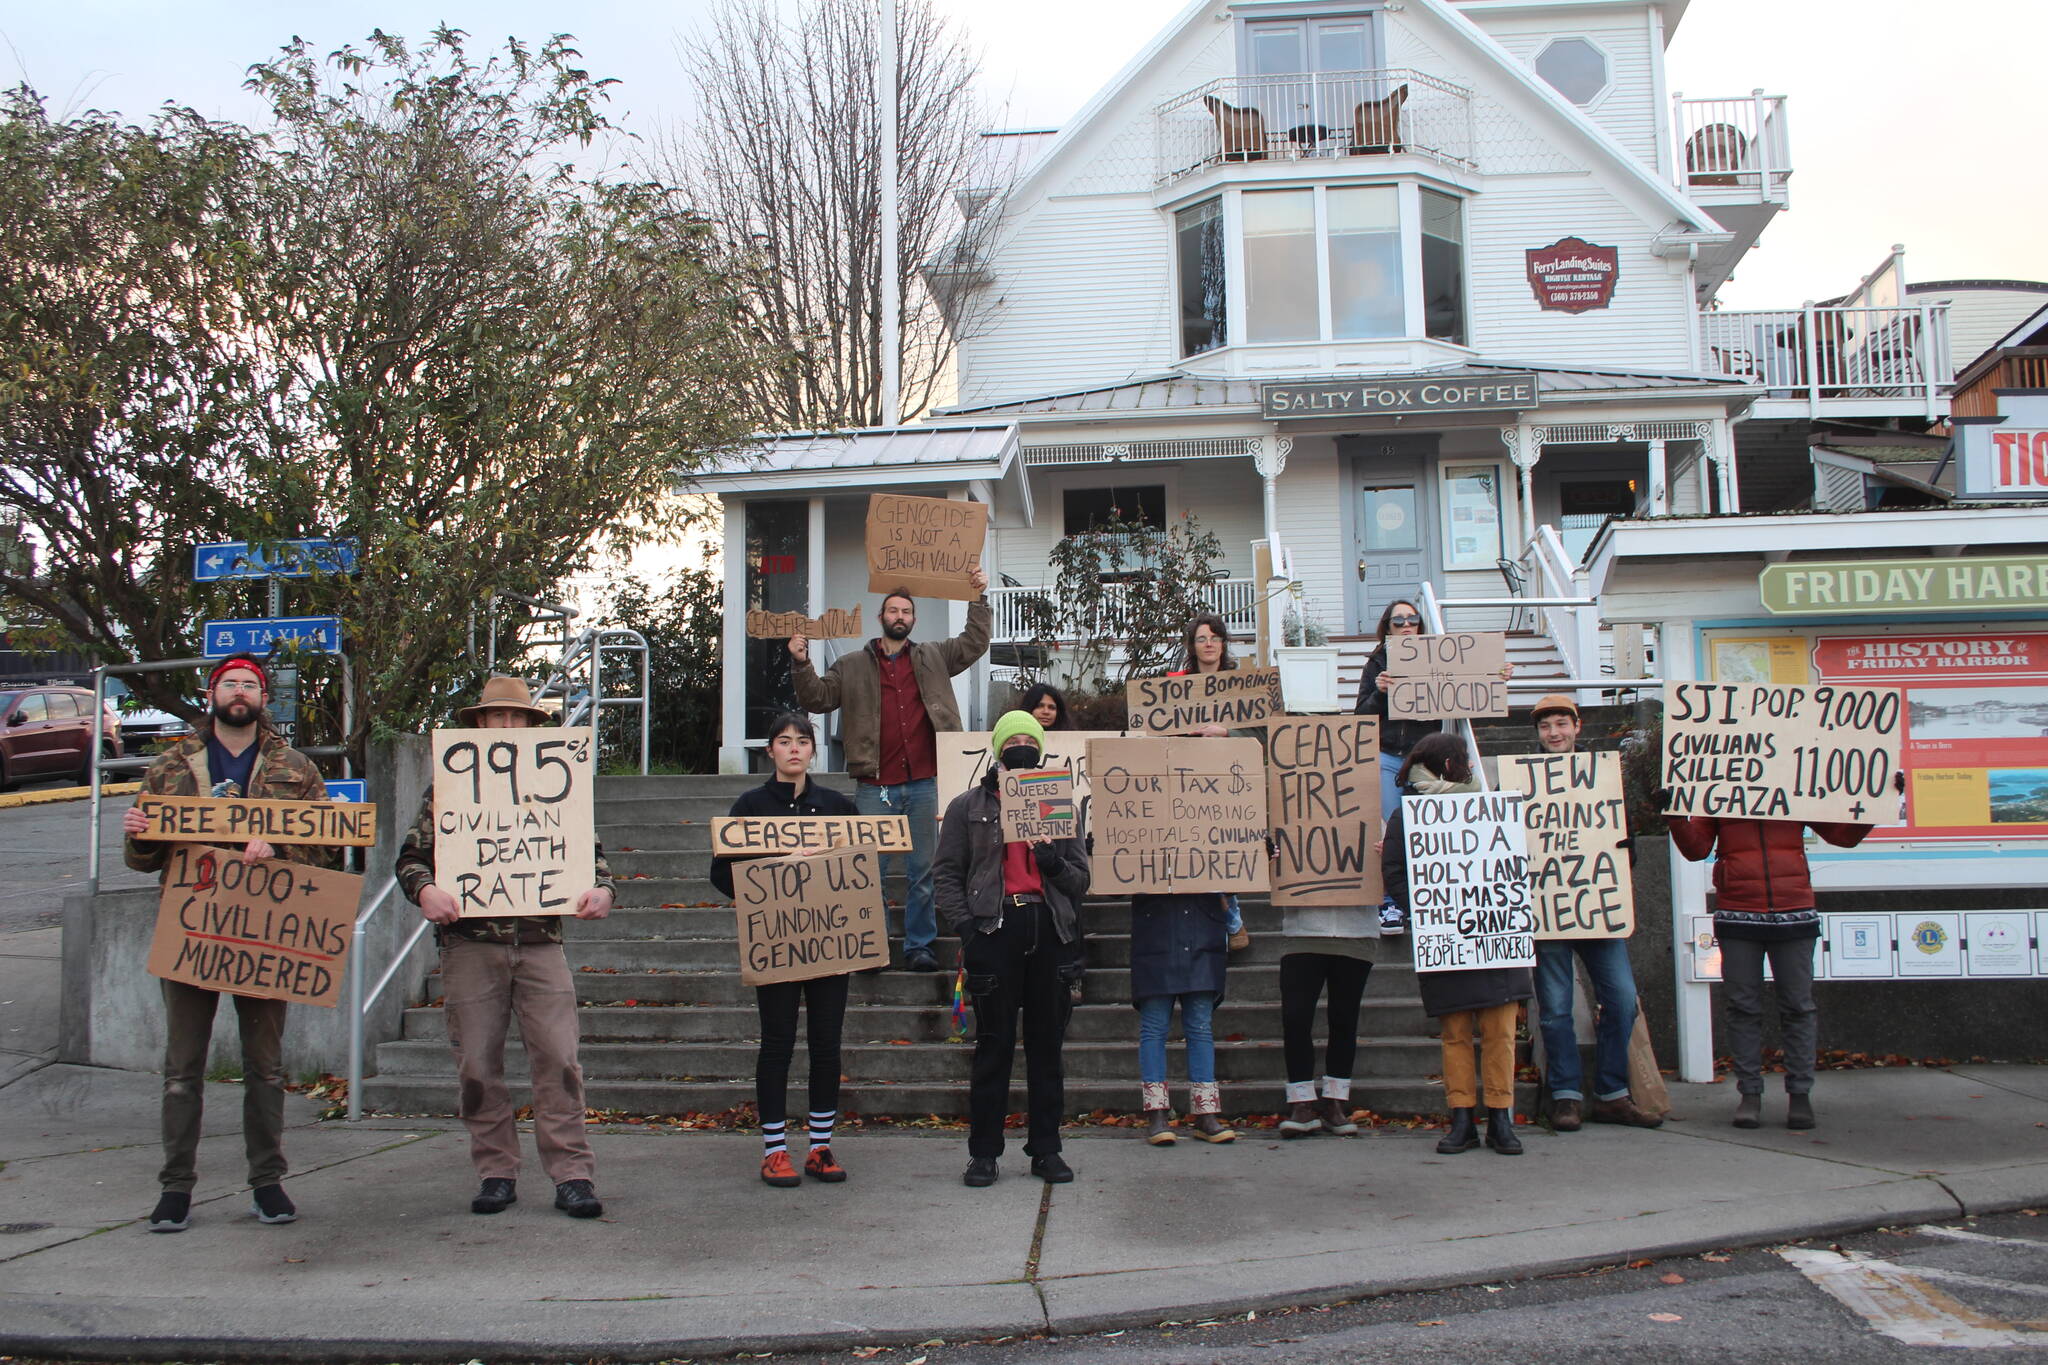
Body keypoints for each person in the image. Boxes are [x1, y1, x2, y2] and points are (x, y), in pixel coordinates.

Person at [121, 654, 340, 1233]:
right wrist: (139, 836)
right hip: (192, 928)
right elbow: (143, 859)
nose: (239, 692)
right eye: (229, 683)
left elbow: (328, 848)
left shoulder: (294, 766)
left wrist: (280, 847)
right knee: (181, 1069)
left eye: (250, 684)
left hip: (265, 932)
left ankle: (267, 1183)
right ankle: (175, 1189)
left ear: (264, 698)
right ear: (211, 693)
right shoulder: (170, 764)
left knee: (265, 1068)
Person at [394, 675, 615, 1219]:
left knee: (560, 1061)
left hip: (541, 945)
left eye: (517, 716)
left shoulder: (559, 784)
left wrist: (603, 890)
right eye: (498, 716)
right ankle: (495, 1172)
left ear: (531, 726)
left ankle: (572, 1175)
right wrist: (425, 891)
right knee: (477, 1065)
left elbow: (590, 856)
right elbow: (411, 859)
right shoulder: (449, 787)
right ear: (481, 723)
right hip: (470, 946)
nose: (508, 724)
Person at [790, 572, 993, 973]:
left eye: (906, 612)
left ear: (913, 620)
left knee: (923, 872)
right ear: (880, 617)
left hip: (924, 782)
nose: (899, 616)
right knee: (870, 872)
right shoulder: (850, 665)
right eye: (893, 610)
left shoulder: (935, 656)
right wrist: (801, 663)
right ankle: (872, 947)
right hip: (874, 785)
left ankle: (920, 947)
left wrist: (978, 597)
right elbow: (817, 697)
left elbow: (975, 642)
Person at [934, 709, 1090, 1186]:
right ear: (999, 749)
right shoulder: (966, 806)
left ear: (1040, 750)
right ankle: (983, 1153)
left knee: (1047, 1049)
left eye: (1030, 741)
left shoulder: (1062, 805)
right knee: (993, 1047)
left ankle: (1046, 1148)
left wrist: (1052, 861)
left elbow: (1080, 881)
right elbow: (946, 874)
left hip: (1049, 929)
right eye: (1012, 740)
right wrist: (968, 930)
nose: (1021, 747)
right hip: (994, 929)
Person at [1666, 790, 1880, 1130]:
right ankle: (1750, 1094)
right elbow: (1696, 850)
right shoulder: (1720, 791)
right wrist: (1676, 816)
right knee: (1743, 1007)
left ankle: (1799, 1094)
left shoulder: (1794, 786)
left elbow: (1842, 836)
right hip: (1739, 914)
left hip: (1793, 911)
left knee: (1798, 1007)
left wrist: (1877, 803)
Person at [709, 713, 860, 1187]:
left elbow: (862, 866)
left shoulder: (838, 807)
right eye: (783, 741)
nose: (794, 748)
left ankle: (820, 1147)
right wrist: (772, 876)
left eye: (802, 741)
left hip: (831, 940)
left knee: (826, 1044)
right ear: (770, 749)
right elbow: (720, 873)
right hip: (776, 940)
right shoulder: (750, 806)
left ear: (813, 750)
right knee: (777, 1044)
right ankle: (774, 1151)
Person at [1382, 732, 1531, 1157]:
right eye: (1462, 759)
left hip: (1493, 935)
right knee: (1456, 1034)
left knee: (1501, 1031)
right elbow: (1395, 871)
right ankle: (1462, 1117)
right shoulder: (1410, 815)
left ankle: (1500, 1116)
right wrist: (1429, 912)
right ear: (1449, 764)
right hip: (1448, 938)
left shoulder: (1492, 805)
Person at [1524, 695, 1662, 1132]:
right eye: (1546, 726)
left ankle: (1612, 1094)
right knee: (1555, 1009)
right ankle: (1565, 1095)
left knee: (1621, 1000)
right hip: (1549, 909)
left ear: (1577, 726)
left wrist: (1622, 850)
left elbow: (1623, 839)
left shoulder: (1604, 776)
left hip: (1599, 907)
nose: (1554, 733)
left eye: (1561, 724)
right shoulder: (1524, 781)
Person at [1354, 600, 1511, 935]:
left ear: (1421, 625)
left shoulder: (1440, 658)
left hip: (1426, 759)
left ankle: (1431, 898)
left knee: (1429, 831)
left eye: (1412, 619)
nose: (1406, 625)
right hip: (1387, 755)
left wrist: (1495, 677)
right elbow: (1361, 715)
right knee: (1394, 832)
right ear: (1387, 627)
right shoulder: (1376, 663)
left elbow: (1469, 688)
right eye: (1398, 620)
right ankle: (1391, 903)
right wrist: (1379, 692)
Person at [1173, 613, 1251, 952]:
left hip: (1231, 781)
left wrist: (1226, 732)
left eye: (1215, 638)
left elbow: (1262, 733)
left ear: (1223, 644)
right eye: (1202, 638)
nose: (1209, 644)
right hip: (1189, 781)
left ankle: (1231, 920)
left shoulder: (1242, 684)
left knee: (1222, 850)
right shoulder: (1175, 688)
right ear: (1192, 646)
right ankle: (1229, 923)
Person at [1274, 902, 1378, 1139]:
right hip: (1302, 932)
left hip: (1356, 932)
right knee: (1296, 1018)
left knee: (1345, 1019)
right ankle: (1301, 1102)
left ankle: (1335, 1102)